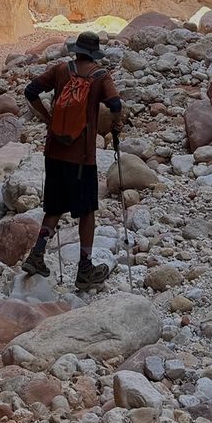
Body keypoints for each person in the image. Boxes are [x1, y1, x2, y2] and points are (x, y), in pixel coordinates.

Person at [21, 31, 124, 292]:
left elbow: (30, 91)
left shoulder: (60, 70)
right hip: (82, 157)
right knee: (86, 211)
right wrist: (116, 123)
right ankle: (85, 269)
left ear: (76, 50)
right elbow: (115, 103)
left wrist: (48, 119)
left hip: (54, 151)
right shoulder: (100, 76)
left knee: (54, 207)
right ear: (95, 53)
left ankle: (37, 255)